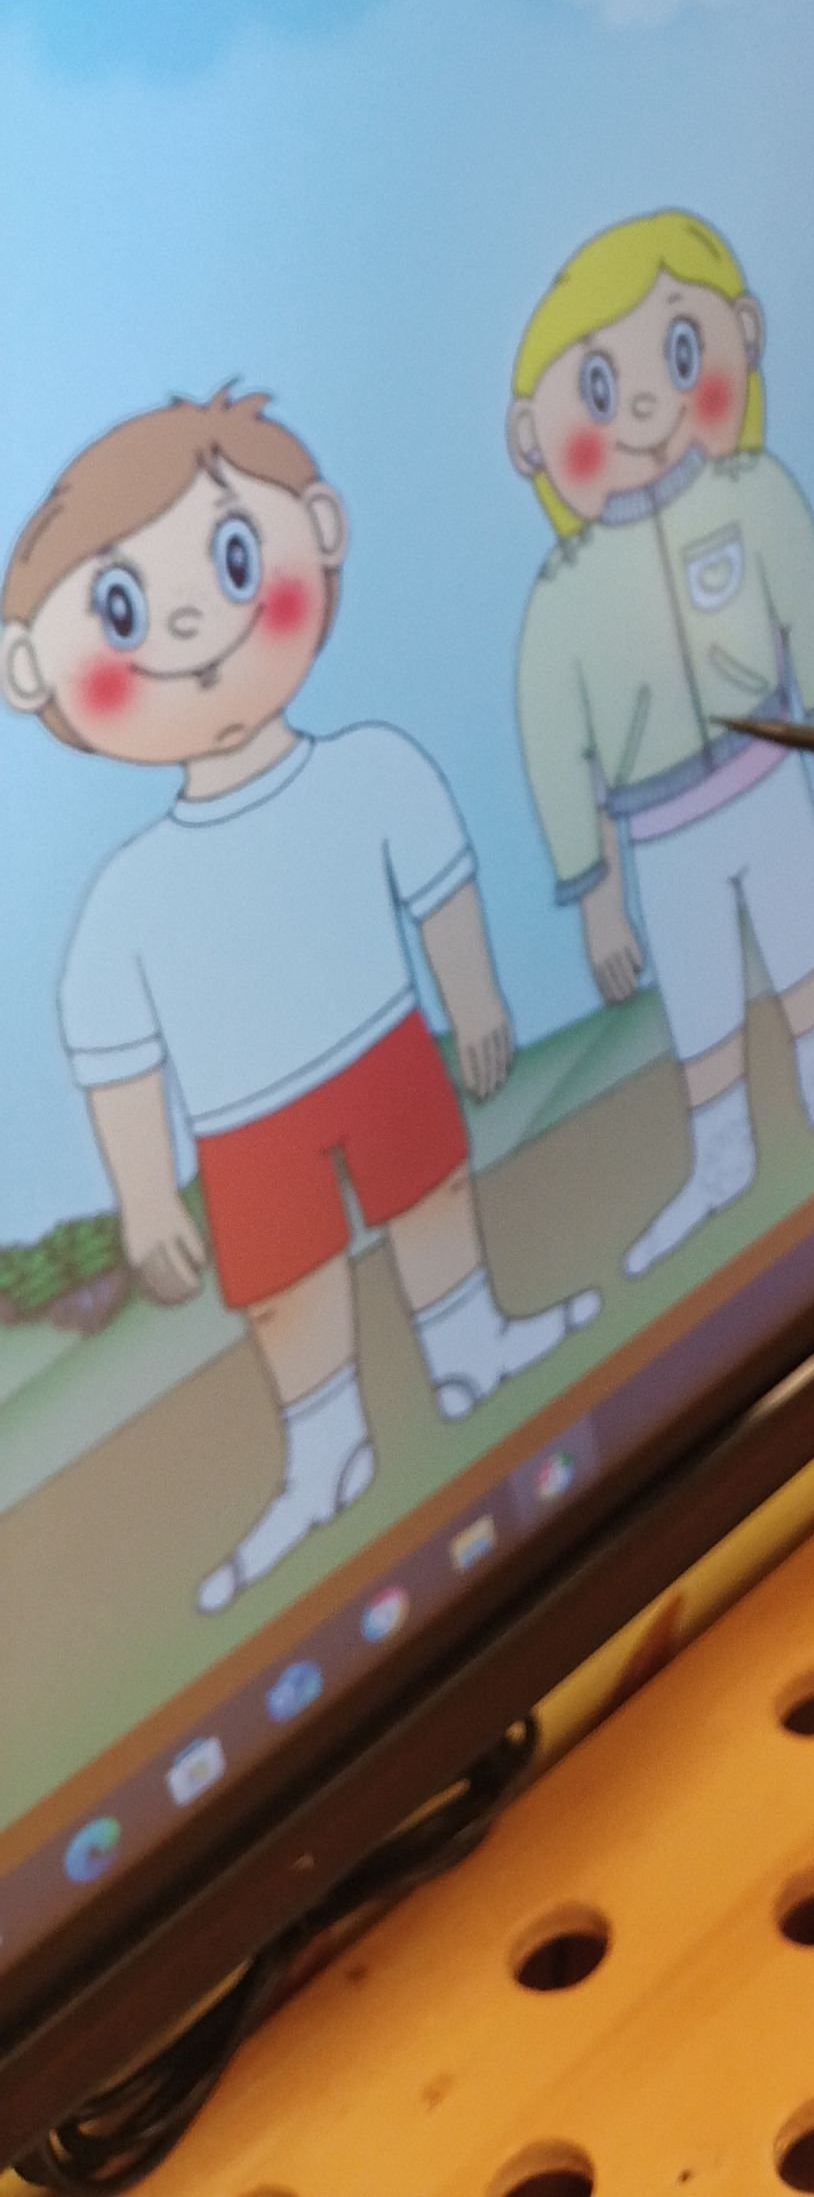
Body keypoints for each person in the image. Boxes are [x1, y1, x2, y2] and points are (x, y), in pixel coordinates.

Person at [0, 392, 599, 1617]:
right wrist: (146, 1196)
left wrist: (477, 997)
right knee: (285, 1283)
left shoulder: (370, 769)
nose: (188, 624)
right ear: (30, 670)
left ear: (319, 528)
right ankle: (325, 1451)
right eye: (123, 610)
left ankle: (470, 1343)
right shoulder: (124, 896)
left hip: (381, 1049)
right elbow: (116, 1055)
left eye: (233, 558)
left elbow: (439, 886)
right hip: (244, 1122)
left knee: (432, 1193)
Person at [508, 210, 814, 1281]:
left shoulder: (755, 493)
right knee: (695, 985)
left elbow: (810, 617)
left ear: (743, 334)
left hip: (769, 773)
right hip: (660, 830)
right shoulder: (562, 595)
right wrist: (594, 891)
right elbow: (556, 750)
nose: (648, 403)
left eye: (681, 352)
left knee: (801, 922)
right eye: (598, 387)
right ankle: (722, 1152)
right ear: (530, 439)